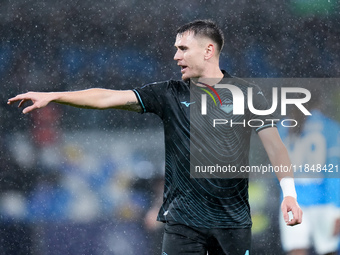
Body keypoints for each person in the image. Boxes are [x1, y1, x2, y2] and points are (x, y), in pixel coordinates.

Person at [8, 20, 302, 255]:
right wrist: (56, 96)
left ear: (208, 51)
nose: (176, 56)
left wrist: (289, 193)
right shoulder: (168, 94)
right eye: (176, 49)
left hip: (231, 222)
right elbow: (108, 97)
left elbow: (275, 146)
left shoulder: (248, 93)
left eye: (183, 49)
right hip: (182, 224)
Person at [278, 91, 340, 255]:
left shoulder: (282, 128)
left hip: (292, 200)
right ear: (319, 102)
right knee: (328, 251)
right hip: (324, 201)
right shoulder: (330, 127)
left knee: (296, 250)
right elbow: (334, 170)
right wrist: (337, 210)